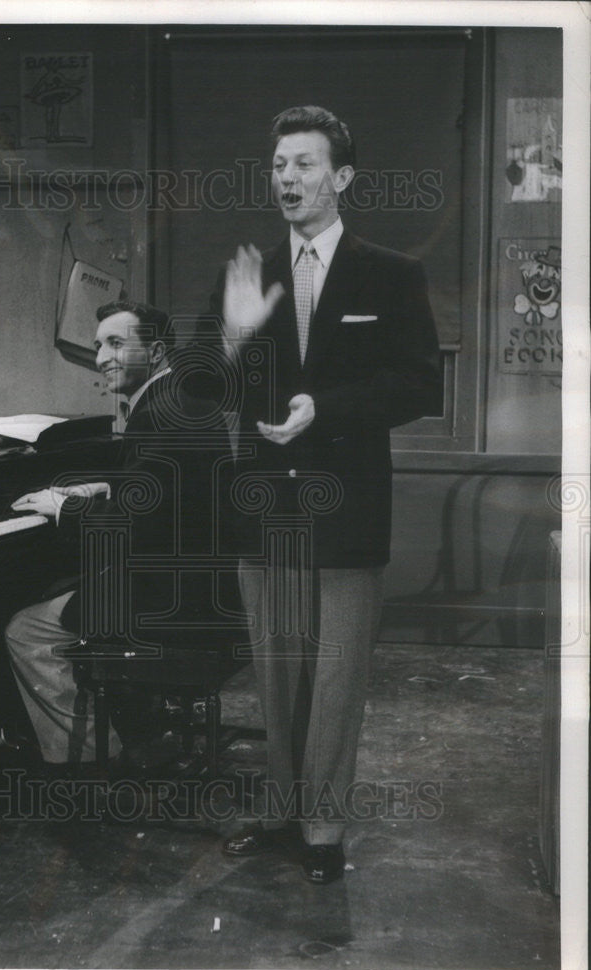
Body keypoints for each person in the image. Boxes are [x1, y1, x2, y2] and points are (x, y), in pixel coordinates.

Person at [210, 106, 442, 883]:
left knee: (336, 675)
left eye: (304, 165)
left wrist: (326, 408)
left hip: (347, 511)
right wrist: (235, 340)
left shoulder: (391, 273)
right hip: (266, 512)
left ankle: (322, 828)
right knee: (276, 673)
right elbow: (215, 391)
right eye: (278, 166)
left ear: (340, 178)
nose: (287, 180)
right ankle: (279, 812)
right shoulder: (249, 276)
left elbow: (418, 384)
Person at [5, 300, 237, 777]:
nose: (101, 357)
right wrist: (104, 486)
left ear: (154, 352)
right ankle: (141, 732)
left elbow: (135, 522)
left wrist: (63, 506)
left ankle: (91, 760)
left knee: (27, 630)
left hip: (171, 601)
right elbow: (164, 492)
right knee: (62, 593)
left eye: (116, 343)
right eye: (97, 346)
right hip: (206, 589)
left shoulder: (156, 413)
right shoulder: (181, 400)